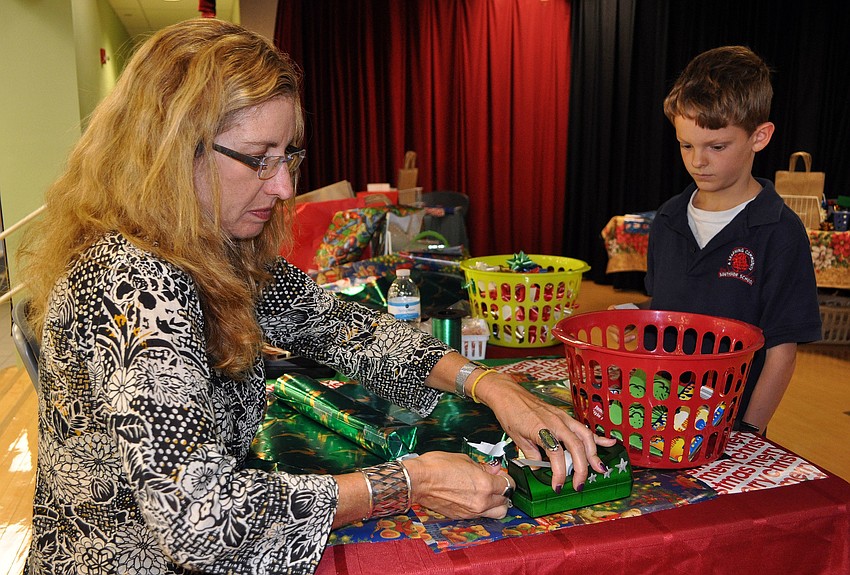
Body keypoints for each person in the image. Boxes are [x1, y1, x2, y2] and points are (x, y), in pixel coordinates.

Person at [18, 20, 613, 575]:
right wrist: (406, 483)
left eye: (288, 158)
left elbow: (336, 324)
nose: (281, 188)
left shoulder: (210, 249)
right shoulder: (135, 280)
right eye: (258, 160)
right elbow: (199, 518)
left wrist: (488, 384)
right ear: (173, 150)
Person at [635, 46, 822, 434]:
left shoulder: (780, 232)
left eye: (716, 147)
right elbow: (661, 310)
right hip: (658, 419)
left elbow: (782, 352)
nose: (697, 161)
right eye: (686, 145)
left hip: (731, 428)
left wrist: (748, 432)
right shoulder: (667, 219)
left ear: (759, 136)